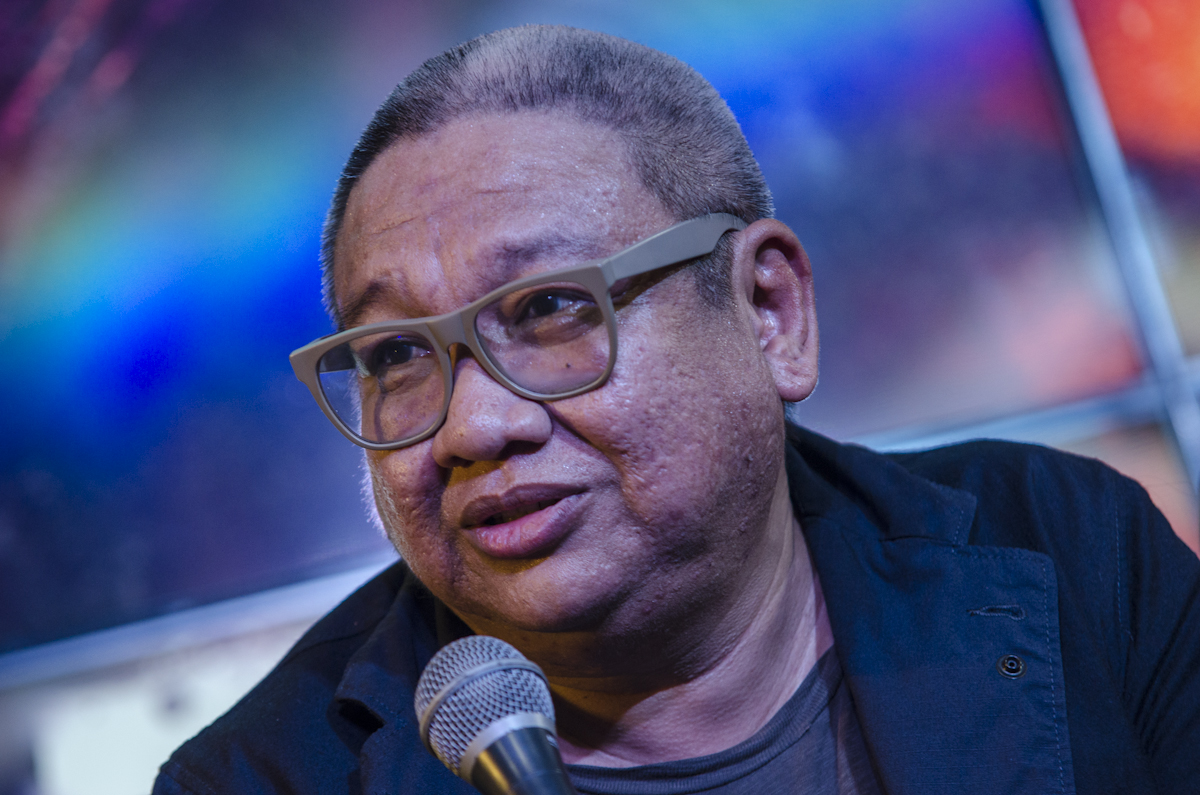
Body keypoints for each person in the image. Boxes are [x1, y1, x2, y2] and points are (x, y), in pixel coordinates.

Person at [153, 25, 1200, 795]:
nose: (471, 428)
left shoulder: (1070, 546)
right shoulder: (261, 778)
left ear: (769, 313)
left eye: (551, 309)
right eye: (395, 355)